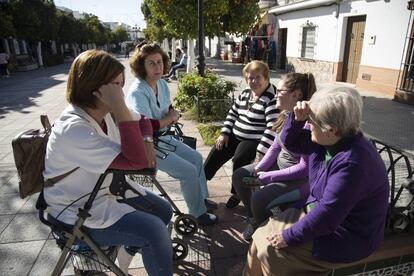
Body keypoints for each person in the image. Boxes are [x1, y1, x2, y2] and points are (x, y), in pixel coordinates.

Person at [43, 50, 173, 276]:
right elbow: (138, 162)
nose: (121, 93)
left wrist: (147, 141)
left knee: (163, 210)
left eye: (122, 85)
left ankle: (124, 257)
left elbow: (144, 122)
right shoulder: (75, 128)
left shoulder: (105, 113)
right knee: (154, 231)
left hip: (106, 190)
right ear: (95, 87)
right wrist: (121, 109)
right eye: (116, 86)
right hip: (76, 208)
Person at [244, 86, 390, 275]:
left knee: (272, 253)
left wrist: (288, 236)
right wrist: (297, 120)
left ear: (331, 130)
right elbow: (290, 142)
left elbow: (328, 215)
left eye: (311, 121)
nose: (308, 125)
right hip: (318, 213)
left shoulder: (353, 163)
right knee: (258, 238)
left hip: (347, 235)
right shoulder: (326, 140)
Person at [126, 43, 218, 226]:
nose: (157, 67)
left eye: (159, 62)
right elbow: (146, 127)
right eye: (151, 63)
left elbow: (167, 107)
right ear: (141, 66)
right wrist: (171, 117)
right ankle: (197, 213)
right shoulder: (138, 92)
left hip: (163, 137)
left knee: (196, 158)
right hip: (147, 144)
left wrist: (172, 113)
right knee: (188, 171)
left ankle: (200, 199)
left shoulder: (161, 83)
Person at [233, 73, 316, 241]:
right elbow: (275, 147)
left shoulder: (308, 125)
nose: (275, 93)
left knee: (259, 199)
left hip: (298, 182)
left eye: (279, 90)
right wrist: (259, 167)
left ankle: (262, 222)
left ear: (296, 95)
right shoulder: (287, 115)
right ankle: (254, 218)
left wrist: (269, 177)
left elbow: (304, 168)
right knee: (241, 177)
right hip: (277, 171)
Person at [204, 60, 279, 209]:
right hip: (235, 134)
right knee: (216, 152)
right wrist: (224, 133)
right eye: (250, 78)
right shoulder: (245, 93)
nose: (253, 81)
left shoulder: (271, 98)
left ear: (266, 78)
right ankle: (200, 186)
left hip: (255, 139)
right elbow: (232, 113)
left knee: (240, 158)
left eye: (258, 77)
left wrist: (261, 152)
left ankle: (237, 193)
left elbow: (272, 128)